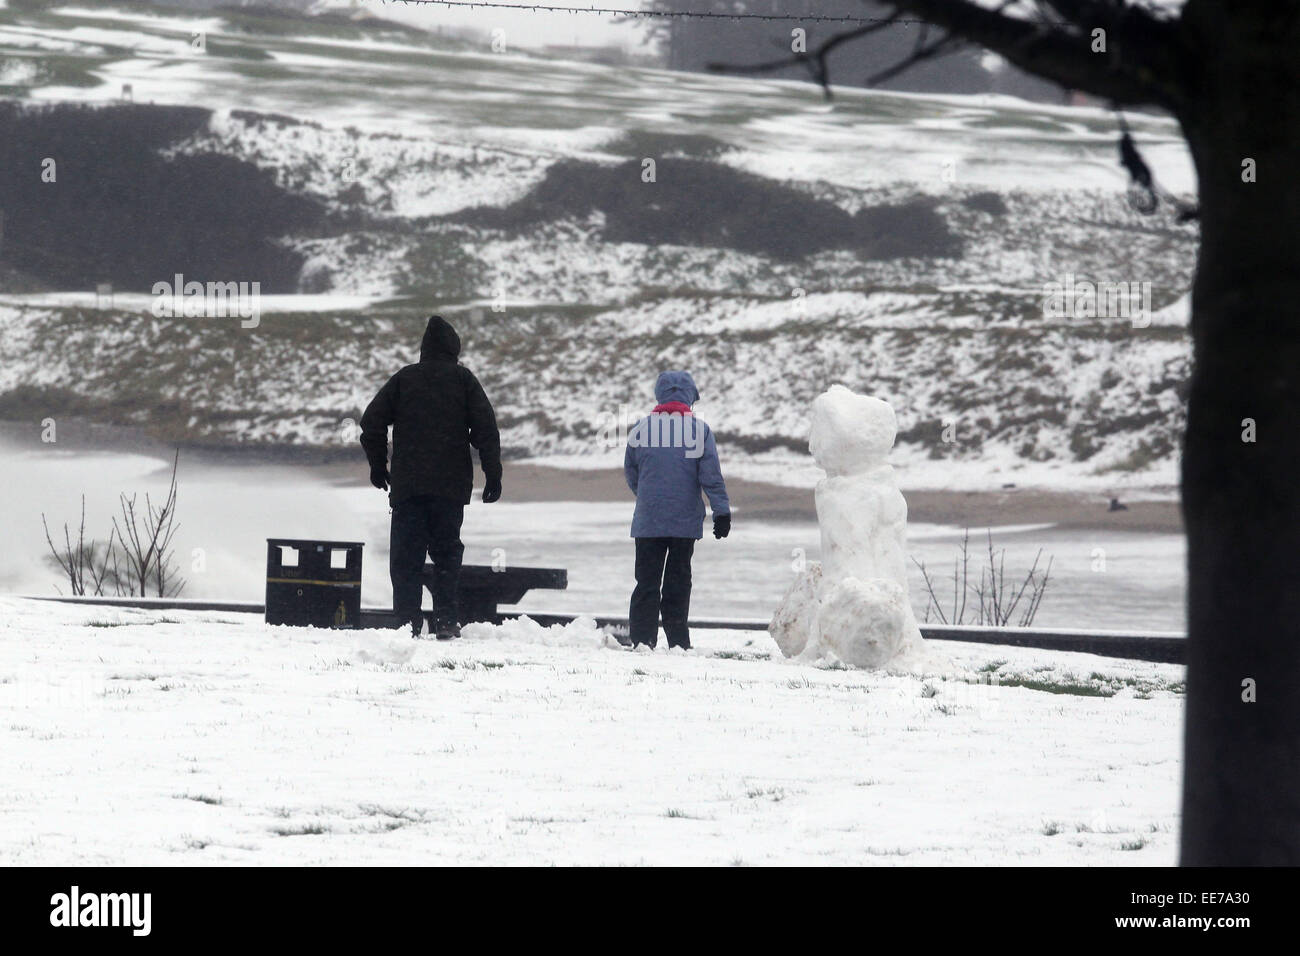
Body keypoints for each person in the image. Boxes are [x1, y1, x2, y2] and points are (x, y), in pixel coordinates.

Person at [360, 315, 502, 639]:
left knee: (406, 559)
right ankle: (447, 619)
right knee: (447, 555)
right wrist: (492, 475)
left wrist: (379, 466)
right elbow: (486, 431)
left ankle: (407, 623)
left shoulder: (404, 379)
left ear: (424, 349)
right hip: (450, 488)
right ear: (454, 350)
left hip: (408, 486)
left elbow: (371, 423)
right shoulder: (464, 381)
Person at [623, 370, 730, 650]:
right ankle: (678, 642)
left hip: (648, 521)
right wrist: (721, 512)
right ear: (689, 397)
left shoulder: (640, 430)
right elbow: (711, 477)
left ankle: (643, 641)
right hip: (684, 523)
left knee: (646, 582)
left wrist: (647, 497)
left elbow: (632, 473)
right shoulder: (700, 431)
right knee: (678, 582)